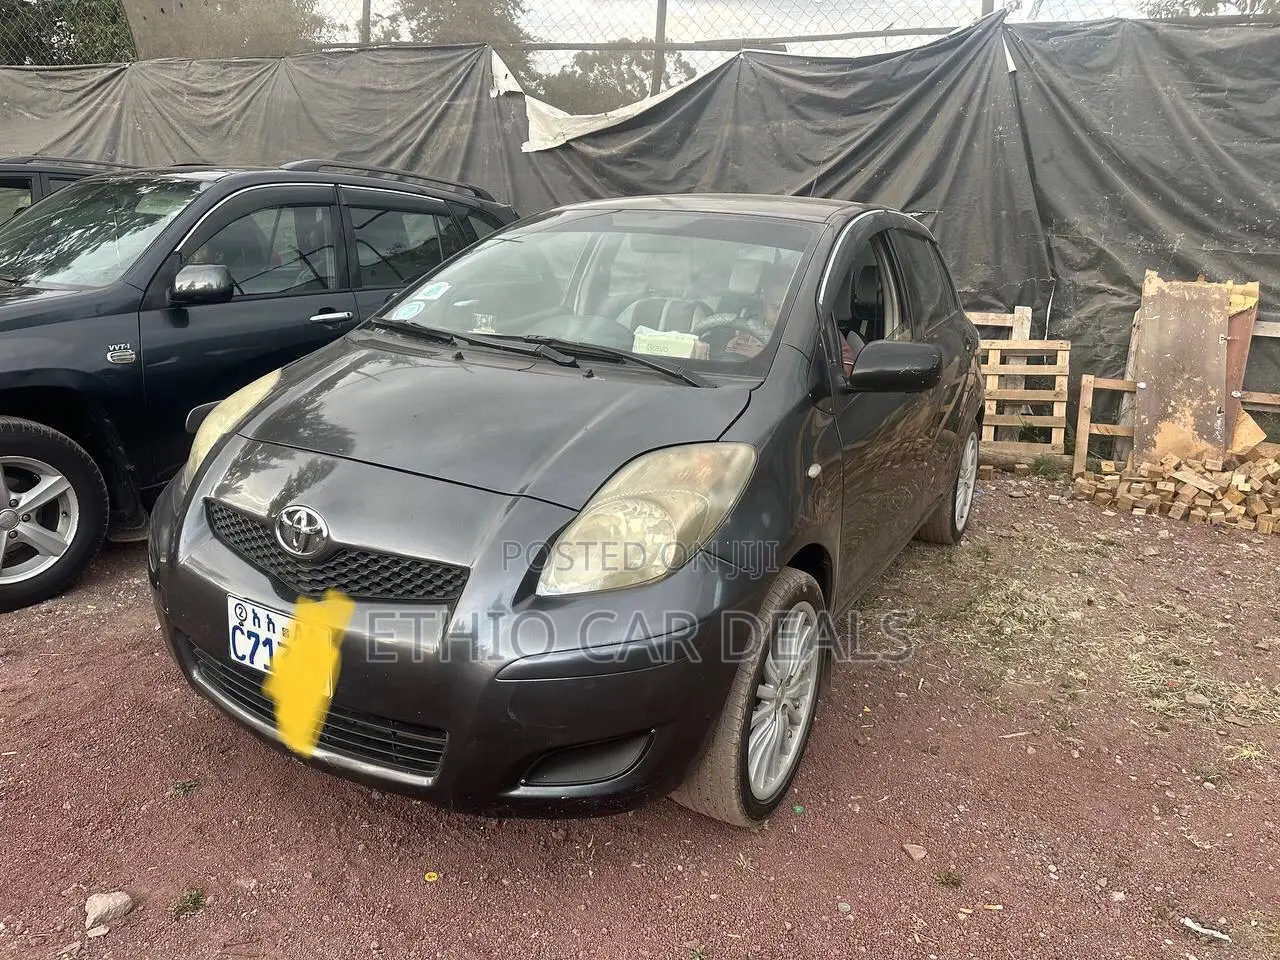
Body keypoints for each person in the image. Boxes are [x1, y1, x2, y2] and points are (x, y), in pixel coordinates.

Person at [722, 266, 858, 375]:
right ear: (764, 306)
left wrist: (764, 357)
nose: (782, 315)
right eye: (775, 307)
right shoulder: (749, 332)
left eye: (790, 308)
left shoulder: (818, 331)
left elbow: (845, 371)